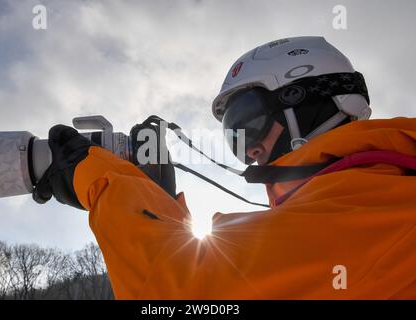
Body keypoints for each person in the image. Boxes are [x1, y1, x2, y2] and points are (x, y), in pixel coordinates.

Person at [33, 36, 416, 299]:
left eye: (247, 121)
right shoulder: (376, 191)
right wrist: (158, 209)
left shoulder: (382, 208)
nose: (248, 151)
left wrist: (95, 175)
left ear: (305, 101)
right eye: (233, 135)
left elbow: (183, 294)